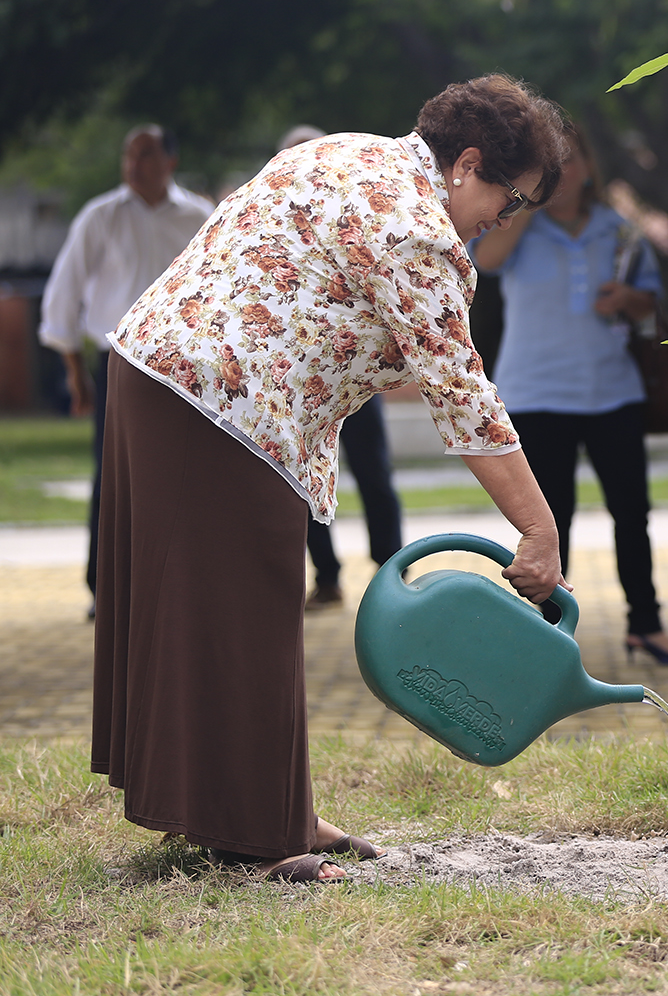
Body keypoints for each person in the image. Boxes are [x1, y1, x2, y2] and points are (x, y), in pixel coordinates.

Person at [95, 74, 570, 882]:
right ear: (467, 162)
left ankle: (270, 812)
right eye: (510, 198)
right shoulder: (416, 228)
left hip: (161, 374)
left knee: (227, 610)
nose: (502, 219)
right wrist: (538, 526)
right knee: (245, 608)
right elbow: (462, 393)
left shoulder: (348, 153)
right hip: (223, 404)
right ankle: (257, 838)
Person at [471, 120, 668, 665]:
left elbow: (649, 303)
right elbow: (486, 261)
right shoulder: (514, 225)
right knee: (553, 521)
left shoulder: (618, 231)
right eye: (551, 164)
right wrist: (527, 204)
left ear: (592, 167)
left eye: (572, 160)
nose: (564, 173)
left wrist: (627, 299)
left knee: (632, 514)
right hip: (535, 393)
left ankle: (646, 625)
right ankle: (547, 637)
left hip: (611, 392)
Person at [38, 125, 214, 618]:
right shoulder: (100, 217)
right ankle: (106, 587)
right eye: (128, 156)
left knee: (186, 475)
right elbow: (62, 298)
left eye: (145, 155)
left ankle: (182, 582)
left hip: (182, 367)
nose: (134, 165)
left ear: (169, 162)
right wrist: (74, 372)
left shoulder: (198, 217)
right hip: (117, 359)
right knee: (115, 477)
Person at [271, 124, 407, 611]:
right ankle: (325, 576)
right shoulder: (272, 218)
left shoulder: (354, 211)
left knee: (374, 475)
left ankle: (393, 571)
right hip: (295, 383)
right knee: (300, 479)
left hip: (350, 377)